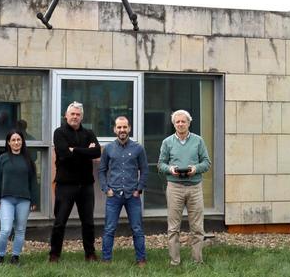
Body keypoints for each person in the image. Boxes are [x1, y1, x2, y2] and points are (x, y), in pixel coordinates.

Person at [49, 101, 101, 262]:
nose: (75, 117)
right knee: (60, 222)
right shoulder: (59, 133)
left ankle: (90, 254)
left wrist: (75, 150)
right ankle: (54, 254)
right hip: (65, 185)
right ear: (66, 115)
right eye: (72, 114)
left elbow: (97, 152)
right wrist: (86, 151)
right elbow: (64, 155)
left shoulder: (89, 133)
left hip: (86, 185)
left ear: (82, 117)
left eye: (78, 114)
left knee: (88, 222)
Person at [157, 109, 211, 265]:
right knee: (173, 228)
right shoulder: (167, 142)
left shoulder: (198, 141)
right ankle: (175, 261)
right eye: (177, 122)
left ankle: (197, 261)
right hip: (175, 187)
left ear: (189, 122)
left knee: (197, 228)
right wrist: (170, 170)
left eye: (183, 121)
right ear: (173, 124)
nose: (180, 124)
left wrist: (195, 169)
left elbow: (206, 163)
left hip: (195, 187)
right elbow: (161, 164)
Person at [98, 116, 148, 266]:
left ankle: (141, 259)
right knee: (109, 228)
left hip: (132, 195)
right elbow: (101, 170)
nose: (122, 130)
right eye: (119, 127)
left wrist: (139, 189)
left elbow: (145, 170)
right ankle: (106, 259)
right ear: (114, 129)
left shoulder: (138, 148)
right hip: (114, 195)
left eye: (125, 127)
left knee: (137, 228)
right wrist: (106, 189)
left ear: (129, 128)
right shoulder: (108, 149)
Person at [0, 130, 38, 266]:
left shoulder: (28, 160)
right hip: (6, 200)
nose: (16, 142)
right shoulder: (2, 159)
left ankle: (15, 257)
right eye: (13, 140)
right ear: (8, 142)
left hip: (24, 200)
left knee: (20, 230)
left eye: (19, 140)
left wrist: (34, 200)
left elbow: (33, 182)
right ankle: (0, 256)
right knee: (5, 229)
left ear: (22, 142)